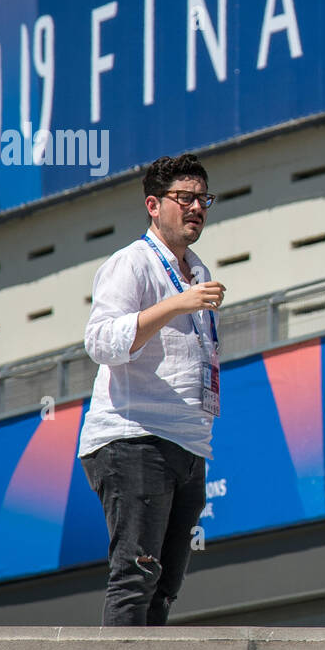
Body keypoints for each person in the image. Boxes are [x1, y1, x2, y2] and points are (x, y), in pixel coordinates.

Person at [77, 153, 226, 626]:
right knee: (134, 577)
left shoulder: (197, 271)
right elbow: (100, 341)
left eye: (203, 198)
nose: (197, 207)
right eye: (184, 198)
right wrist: (174, 305)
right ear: (153, 205)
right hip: (133, 436)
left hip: (187, 442)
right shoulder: (132, 263)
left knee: (164, 588)